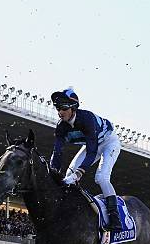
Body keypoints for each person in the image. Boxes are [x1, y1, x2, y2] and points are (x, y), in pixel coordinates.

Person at [49, 88, 122, 230]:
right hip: (92, 145)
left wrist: (79, 173)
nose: (60, 112)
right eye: (58, 108)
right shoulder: (61, 126)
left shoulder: (86, 119)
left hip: (109, 142)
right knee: (68, 176)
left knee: (101, 178)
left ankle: (115, 217)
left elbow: (92, 152)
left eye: (64, 108)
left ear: (73, 108)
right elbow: (57, 153)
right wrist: (52, 173)